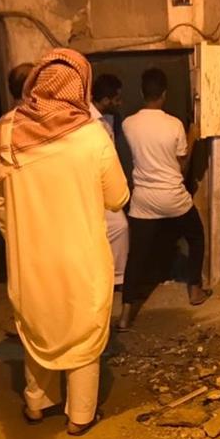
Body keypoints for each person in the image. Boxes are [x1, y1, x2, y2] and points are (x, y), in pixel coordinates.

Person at [0, 48, 129, 435]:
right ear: (82, 86)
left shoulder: (4, 133)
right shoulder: (91, 135)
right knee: (84, 328)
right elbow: (117, 197)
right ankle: (80, 416)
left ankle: (37, 403)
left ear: (36, 84)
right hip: (82, 254)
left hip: (30, 256)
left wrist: (15, 231)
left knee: (38, 324)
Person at [118, 68, 210, 331]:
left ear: (142, 92)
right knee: (196, 236)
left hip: (143, 200)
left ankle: (125, 315)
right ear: (164, 94)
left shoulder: (128, 124)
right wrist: (192, 136)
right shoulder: (174, 125)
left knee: (136, 255)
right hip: (173, 197)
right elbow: (182, 166)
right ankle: (195, 290)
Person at [90, 73, 129, 289]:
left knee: (119, 227)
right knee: (117, 226)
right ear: (105, 100)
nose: (120, 103)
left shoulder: (109, 118)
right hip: (92, 185)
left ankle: (116, 278)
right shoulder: (88, 121)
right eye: (117, 99)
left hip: (107, 183)